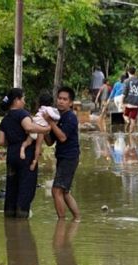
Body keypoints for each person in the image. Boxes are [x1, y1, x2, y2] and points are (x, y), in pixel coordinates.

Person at [0, 88, 51, 218]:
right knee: (26, 187)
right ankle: (21, 218)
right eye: (23, 99)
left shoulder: (5, 119)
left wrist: (13, 141)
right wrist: (46, 129)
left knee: (12, 186)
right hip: (25, 156)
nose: (24, 101)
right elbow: (28, 127)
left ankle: (9, 216)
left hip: (11, 155)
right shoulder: (22, 114)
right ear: (17, 100)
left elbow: (1, 141)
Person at [44, 86, 81, 222]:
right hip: (62, 157)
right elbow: (49, 142)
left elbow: (63, 137)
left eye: (64, 99)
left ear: (70, 103)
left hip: (69, 157)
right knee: (64, 192)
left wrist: (50, 123)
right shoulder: (57, 118)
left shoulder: (70, 117)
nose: (61, 101)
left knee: (56, 190)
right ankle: (77, 219)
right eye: (59, 98)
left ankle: (61, 222)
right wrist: (45, 128)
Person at [20, 93, 60, 171]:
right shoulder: (49, 109)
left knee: (28, 141)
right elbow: (55, 116)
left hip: (34, 126)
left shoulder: (40, 109)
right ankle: (35, 161)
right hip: (41, 129)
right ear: (51, 102)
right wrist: (58, 117)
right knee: (38, 147)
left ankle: (22, 149)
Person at [122, 66, 138, 133]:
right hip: (136, 103)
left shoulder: (126, 81)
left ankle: (127, 121)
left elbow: (124, 93)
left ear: (128, 72)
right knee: (133, 119)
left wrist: (121, 102)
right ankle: (131, 134)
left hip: (128, 103)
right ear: (135, 72)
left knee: (125, 115)